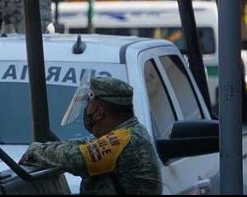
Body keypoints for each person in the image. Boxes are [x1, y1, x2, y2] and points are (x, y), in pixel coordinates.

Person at [20, 76, 162, 195]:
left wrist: (36, 151)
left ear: (99, 112)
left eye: (88, 104)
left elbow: (77, 158)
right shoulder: (129, 132)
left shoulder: (125, 139)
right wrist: (46, 147)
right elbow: (84, 145)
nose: (86, 110)